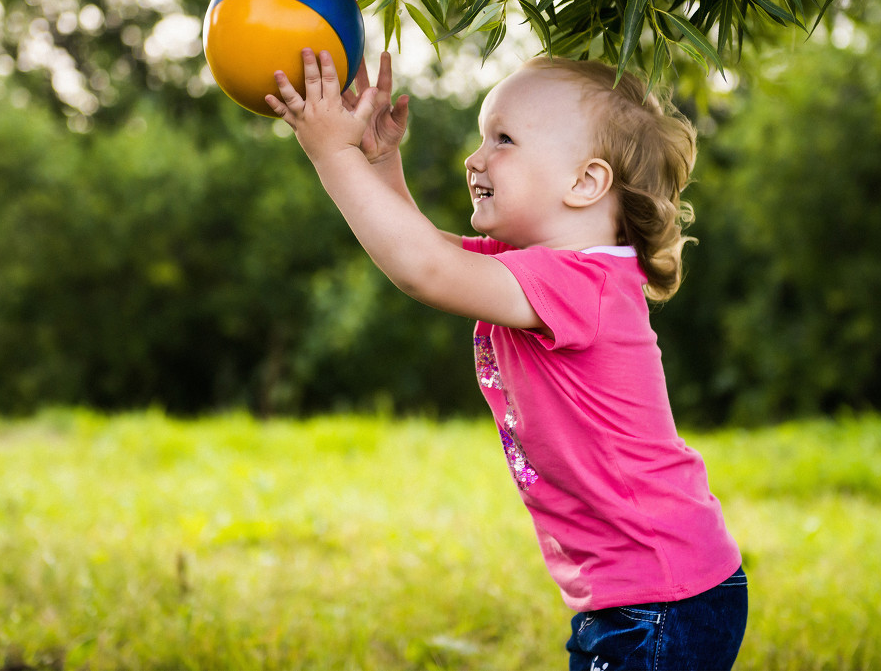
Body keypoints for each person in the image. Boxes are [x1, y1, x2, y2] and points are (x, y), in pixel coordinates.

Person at [266, 48, 747, 671]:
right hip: (642, 595)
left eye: (504, 139)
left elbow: (425, 270)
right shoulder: (541, 269)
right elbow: (417, 244)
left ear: (586, 182)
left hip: (660, 598)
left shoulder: (583, 283)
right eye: (482, 137)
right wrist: (376, 160)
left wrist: (331, 154)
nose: (476, 157)